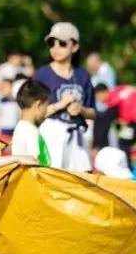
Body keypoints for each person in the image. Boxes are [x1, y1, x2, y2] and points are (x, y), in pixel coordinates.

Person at [34, 22, 97, 171]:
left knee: (82, 181)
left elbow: (93, 113)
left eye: (62, 43)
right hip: (51, 136)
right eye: (51, 43)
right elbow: (33, 114)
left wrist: (80, 110)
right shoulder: (42, 75)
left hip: (77, 137)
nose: (55, 48)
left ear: (74, 46)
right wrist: (60, 105)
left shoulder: (82, 75)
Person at [94, 84, 136, 156]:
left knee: (123, 143)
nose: (99, 100)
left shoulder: (113, 99)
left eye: (98, 97)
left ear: (102, 93)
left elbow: (106, 122)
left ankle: (127, 166)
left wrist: (98, 145)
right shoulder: (121, 89)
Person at [11, 79, 51, 167]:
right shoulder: (31, 132)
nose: (46, 110)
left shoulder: (20, 127)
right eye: (46, 106)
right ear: (39, 104)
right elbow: (34, 163)